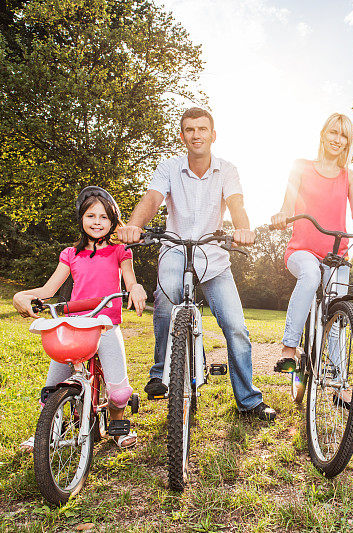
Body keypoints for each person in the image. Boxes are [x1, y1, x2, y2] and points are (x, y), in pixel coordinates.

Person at [117, 107, 276, 421]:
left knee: (236, 328)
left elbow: (236, 203)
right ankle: (161, 372)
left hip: (213, 255)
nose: (196, 135)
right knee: (165, 300)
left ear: (212, 135)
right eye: (189, 130)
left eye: (202, 129)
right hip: (176, 249)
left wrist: (243, 228)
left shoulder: (226, 170)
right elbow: (151, 200)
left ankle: (248, 400)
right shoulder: (169, 168)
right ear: (182, 136)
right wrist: (134, 225)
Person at [13, 186, 148, 449]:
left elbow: (130, 281)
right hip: (76, 324)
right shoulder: (70, 254)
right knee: (52, 386)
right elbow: (47, 290)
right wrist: (22, 295)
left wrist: (136, 288)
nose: (97, 222)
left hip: (106, 324)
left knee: (119, 390)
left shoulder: (120, 251)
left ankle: (117, 426)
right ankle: (48, 430)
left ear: (112, 221)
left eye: (104, 217)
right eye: (91, 216)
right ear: (81, 219)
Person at [271, 112, 353, 375]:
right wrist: (281, 215)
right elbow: (287, 205)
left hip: (336, 254)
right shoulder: (301, 166)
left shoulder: (349, 176)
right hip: (301, 250)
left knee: (338, 314)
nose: (337, 139)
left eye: (344, 135)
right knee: (310, 275)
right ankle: (289, 349)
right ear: (323, 134)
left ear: (348, 142)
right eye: (333, 132)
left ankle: (338, 378)